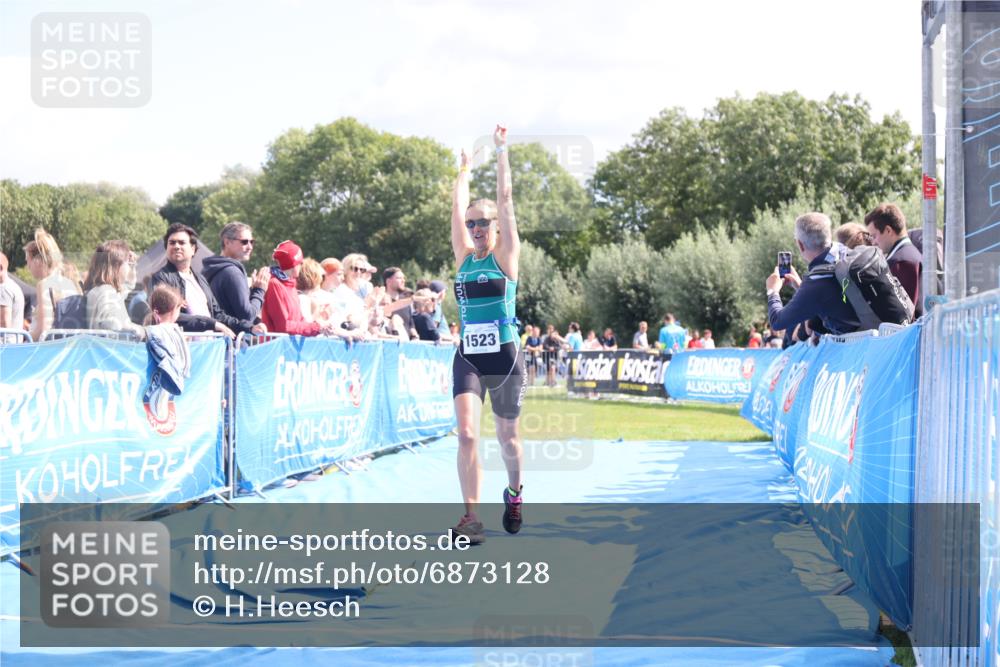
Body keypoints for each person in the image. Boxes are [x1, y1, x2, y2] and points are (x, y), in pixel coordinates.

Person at [449, 125, 526, 544]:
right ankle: (471, 517)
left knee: (508, 437)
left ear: (496, 227)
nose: (477, 228)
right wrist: (462, 170)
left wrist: (500, 152)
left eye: (484, 223)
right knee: (466, 433)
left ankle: (514, 494)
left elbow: (506, 199)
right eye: (472, 223)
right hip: (469, 356)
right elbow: (457, 207)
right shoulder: (463, 258)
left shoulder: (506, 256)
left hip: (505, 356)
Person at [766, 212, 861, 342]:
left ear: (800, 244)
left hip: (855, 349)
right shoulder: (848, 253)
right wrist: (800, 286)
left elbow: (777, 322)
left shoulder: (816, 282)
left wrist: (772, 291)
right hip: (881, 339)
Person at [151, 224, 258, 338]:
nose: (176, 246)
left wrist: (248, 327)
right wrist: (212, 324)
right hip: (185, 350)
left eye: (182, 243)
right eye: (172, 243)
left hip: (208, 348)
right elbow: (168, 315)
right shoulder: (161, 278)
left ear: (193, 249)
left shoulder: (200, 279)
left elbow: (218, 315)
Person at [262, 241, 344, 338]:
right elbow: (283, 326)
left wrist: (320, 326)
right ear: (293, 264)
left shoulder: (291, 283)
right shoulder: (275, 284)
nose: (302, 265)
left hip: (289, 347)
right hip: (276, 348)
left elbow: (299, 320)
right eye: (300, 263)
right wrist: (316, 327)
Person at [201, 221, 270, 323]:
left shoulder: (212, 268)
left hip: (221, 334)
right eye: (244, 242)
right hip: (232, 336)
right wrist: (259, 291)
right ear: (227, 242)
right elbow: (247, 316)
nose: (250, 247)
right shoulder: (232, 273)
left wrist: (252, 291)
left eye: (252, 242)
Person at [865, 203, 923, 317]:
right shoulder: (905, 255)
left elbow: (904, 314)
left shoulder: (901, 262)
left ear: (888, 230)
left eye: (874, 235)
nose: (873, 242)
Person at [23, 228, 80, 340]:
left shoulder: (44, 285)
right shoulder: (70, 282)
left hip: (49, 351)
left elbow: (43, 330)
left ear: (37, 260)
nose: (28, 266)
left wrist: (24, 340)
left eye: (27, 260)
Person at [84, 240, 146, 340]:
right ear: (117, 266)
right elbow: (115, 326)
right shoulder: (107, 292)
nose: (127, 266)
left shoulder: (100, 289)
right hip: (110, 351)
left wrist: (132, 265)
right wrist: (144, 331)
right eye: (126, 263)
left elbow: (129, 285)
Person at [0, 252, 25, 336]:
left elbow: (4, 324)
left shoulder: (4, 290)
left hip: (6, 345)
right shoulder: (13, 286)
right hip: (14, 343)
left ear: (0, 268)